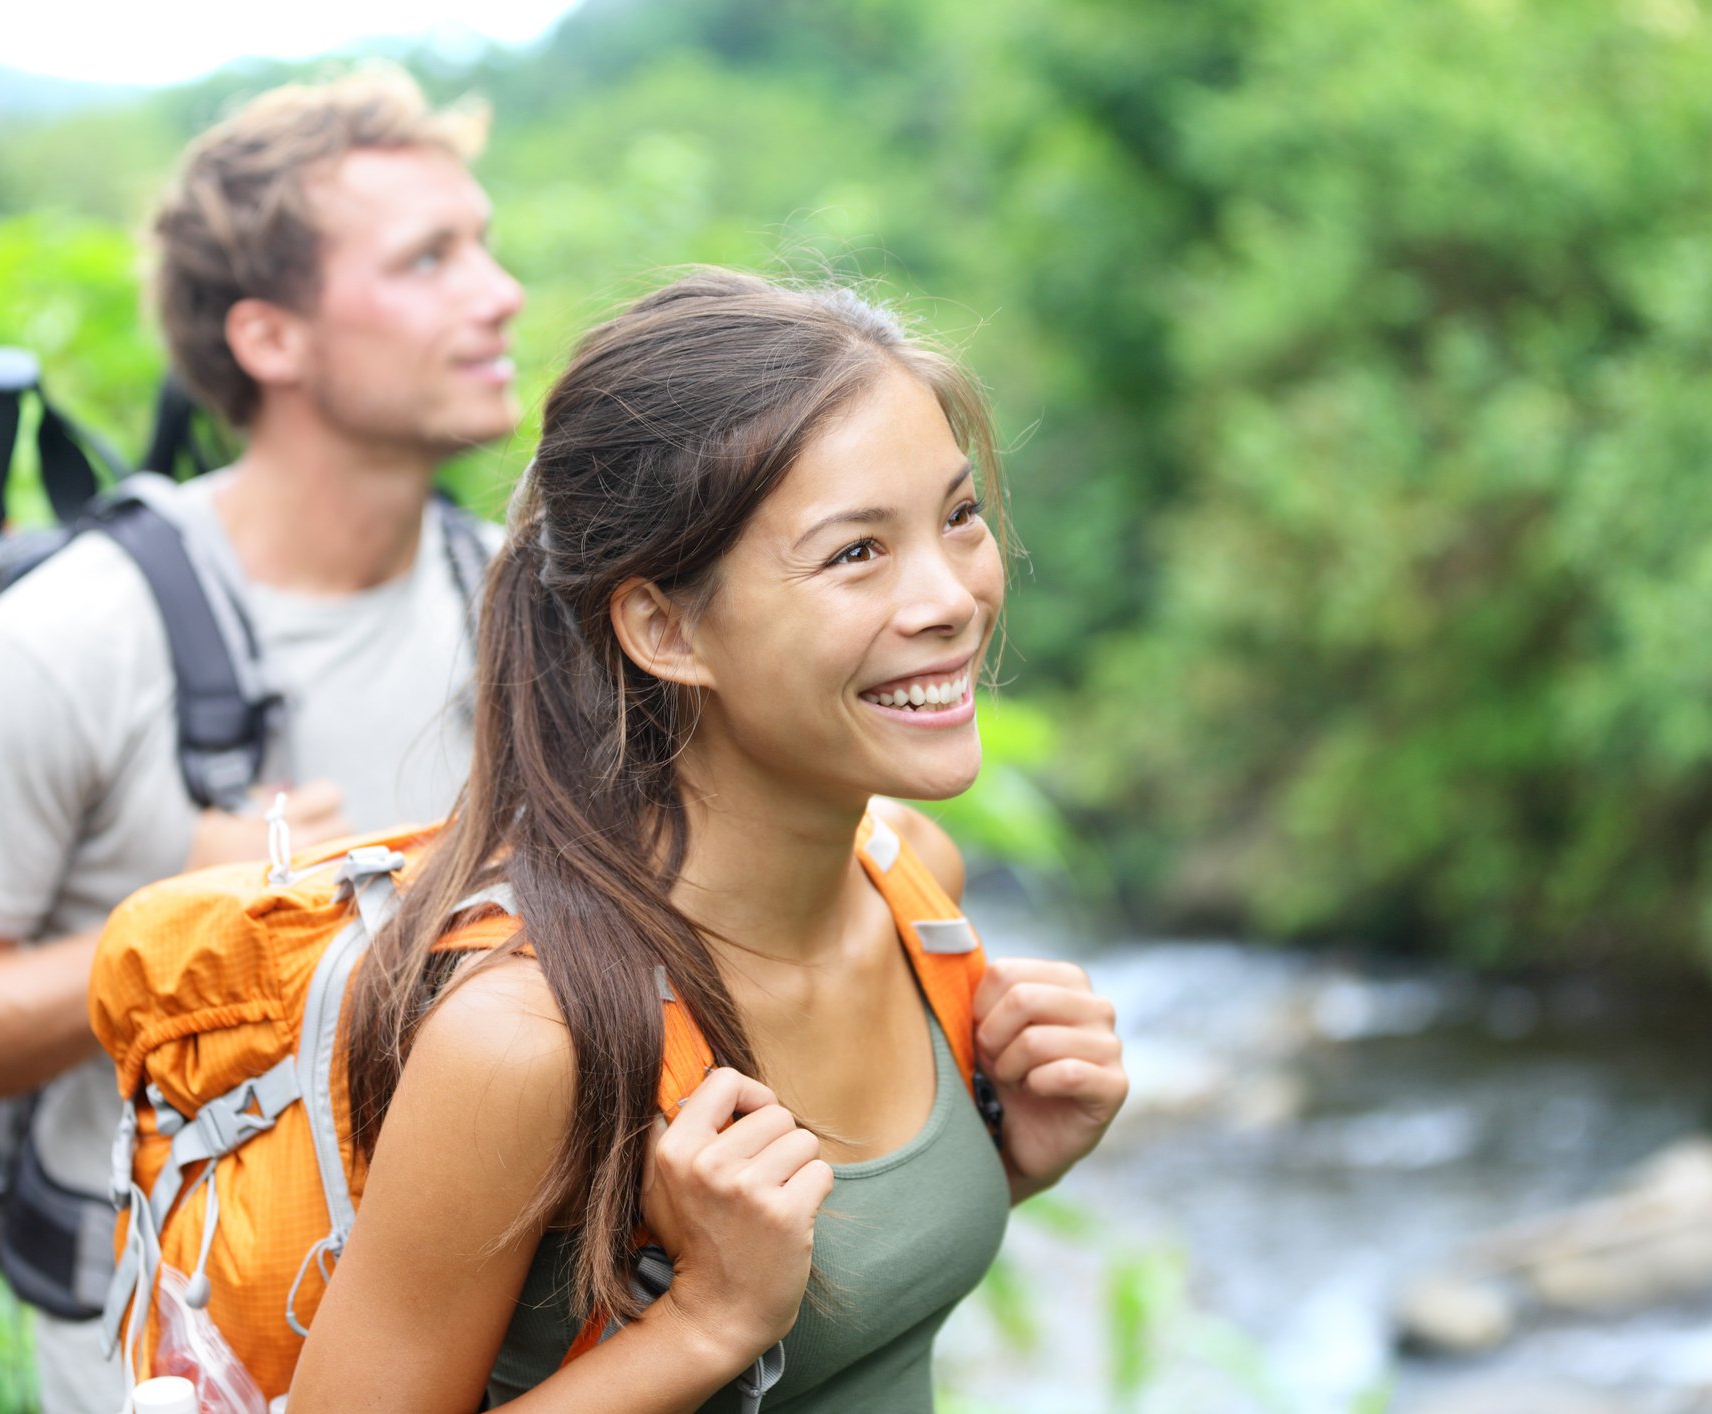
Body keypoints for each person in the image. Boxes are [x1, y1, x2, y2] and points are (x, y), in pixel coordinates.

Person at [286, 270, 1128, 1412]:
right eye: (855, 554)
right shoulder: (529, 1040)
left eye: (959, 515)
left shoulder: (912, 881)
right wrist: (708, 1321)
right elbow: (750, 1313)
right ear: (664, 627)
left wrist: (1003, 1157)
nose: (952, 597)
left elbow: (847, 1314)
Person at [0, 68, 525, 1414]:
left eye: (483, 244)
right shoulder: (79, 637)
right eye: (430, 258)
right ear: (270, 337)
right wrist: (200, 929)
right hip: (173, 1360)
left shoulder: (523, 607)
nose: (497, 293)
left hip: (487, 1339)